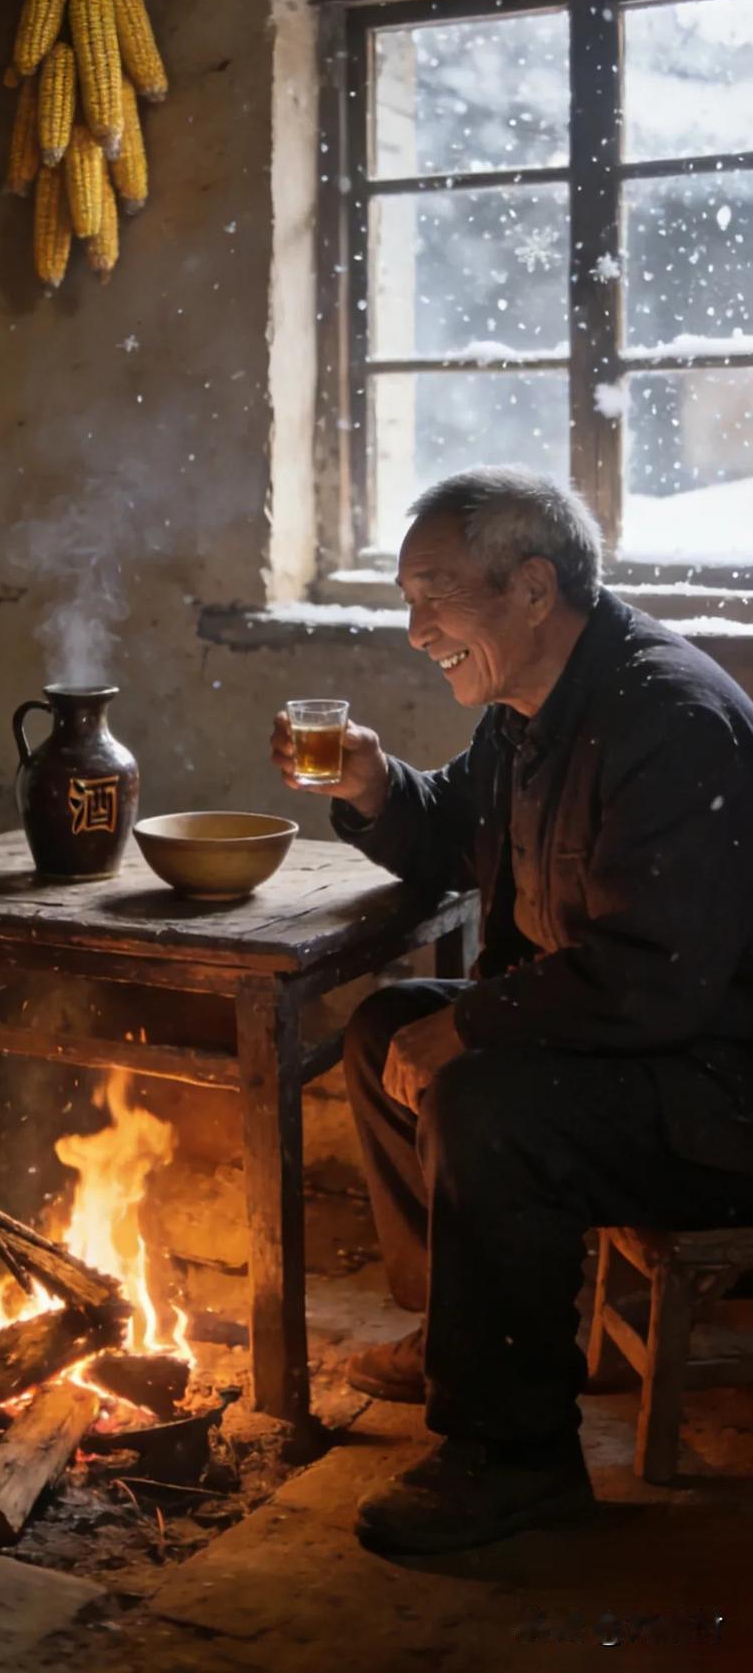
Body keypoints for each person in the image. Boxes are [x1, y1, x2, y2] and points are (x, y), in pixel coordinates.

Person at [271, 469, 753, 1555]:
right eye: (407, 601)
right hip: (638, 1042)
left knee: (487, 1100)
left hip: (721, 1082)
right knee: (386, 1027)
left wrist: (477, 1024)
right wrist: (370, 785)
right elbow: (454, 830)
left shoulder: (666, 722)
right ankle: (464, 1336)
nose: (415, 632)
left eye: (433, 597)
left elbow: (655, 974)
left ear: (533, 588)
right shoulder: (533, 708)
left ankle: (514, 1455)